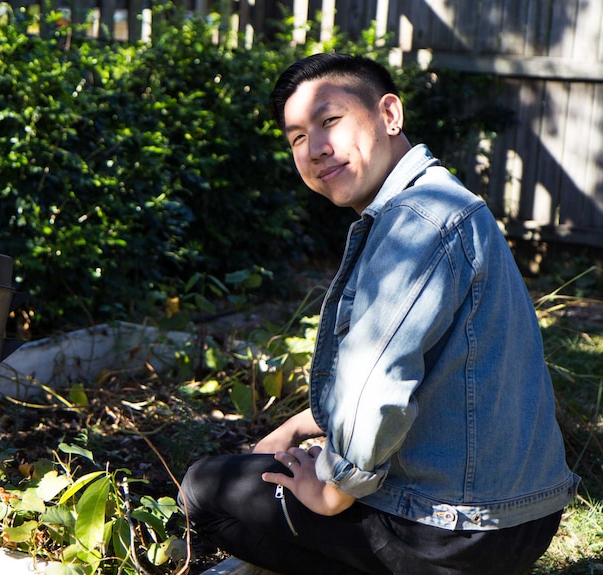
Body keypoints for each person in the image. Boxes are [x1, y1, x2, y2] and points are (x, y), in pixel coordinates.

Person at [178, 53, 579, 575]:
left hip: (447, 534)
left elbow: (378, 378)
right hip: (520, 521)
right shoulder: (447, 203)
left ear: (390, 114)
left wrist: (332, 489)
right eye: (297, 138)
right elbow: (427, 373)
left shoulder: (415, 222)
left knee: (204, 489)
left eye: (330, 121)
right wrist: (304, 425)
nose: (316, 148)